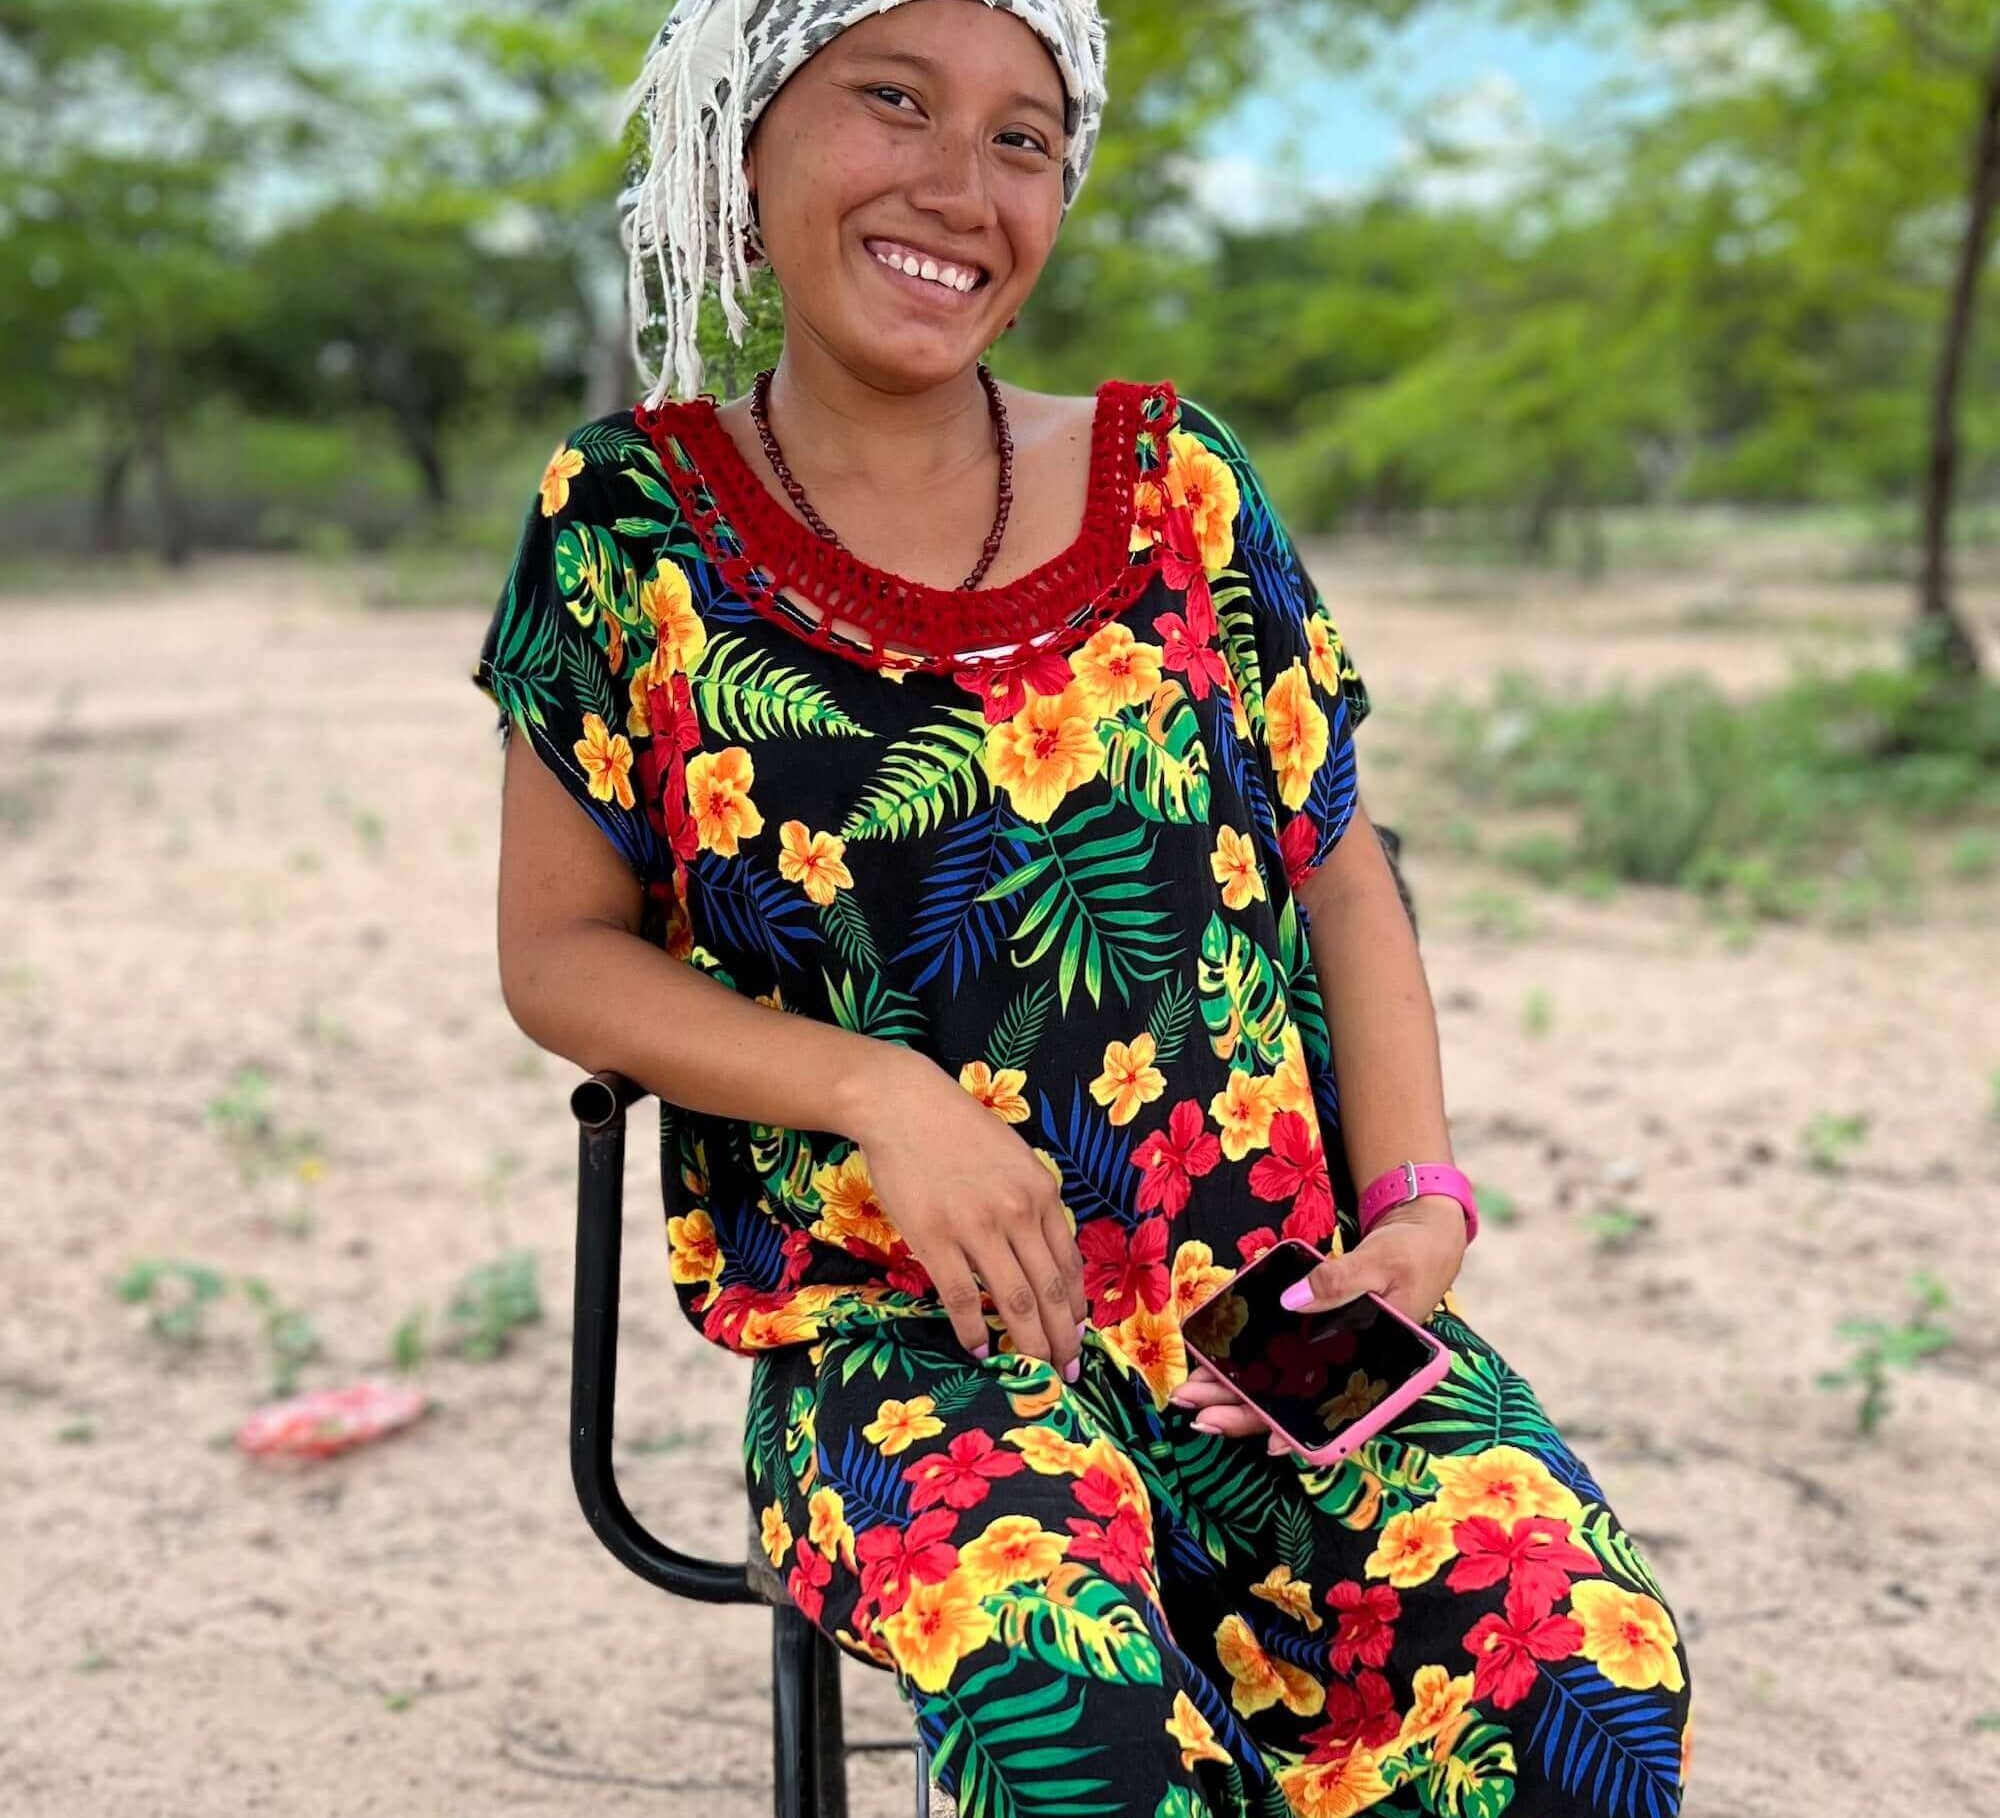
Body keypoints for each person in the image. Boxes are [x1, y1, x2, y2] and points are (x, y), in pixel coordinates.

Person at [471, 2, 1695, 1813]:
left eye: (1023, 138)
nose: (961, 187)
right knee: (1094, 1751)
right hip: (908, 1338)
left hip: (1267, 1299)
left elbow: (1337, 862)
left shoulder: (1179, 482)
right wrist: (885, 1095)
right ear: (746, 139)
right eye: (894, 101)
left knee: (1579, 1670)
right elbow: (556, 954)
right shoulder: (627, 515)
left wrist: (1418, 1206)